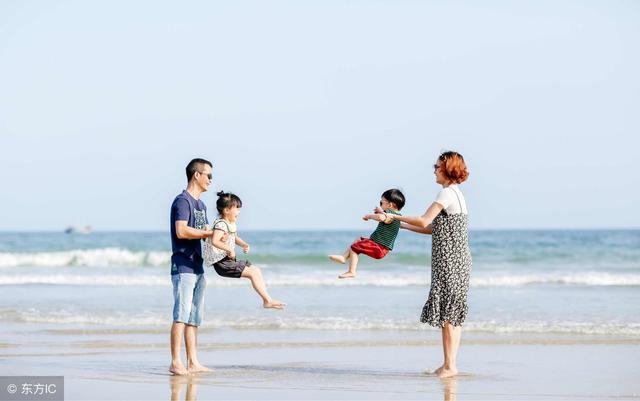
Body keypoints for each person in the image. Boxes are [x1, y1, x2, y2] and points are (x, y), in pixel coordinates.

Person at [383, 151, 471, 378]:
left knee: (448, 315)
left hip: (450, 262)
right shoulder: (456, 194)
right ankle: (449, 364)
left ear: (447, 169)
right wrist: (398, 224)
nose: (434, 169)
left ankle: (449, 366)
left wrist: (393, 214)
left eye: (437, 166)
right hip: (457, 260)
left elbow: (424, 219)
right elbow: (432, 229)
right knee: (453, 314)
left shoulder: (446, 194)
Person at [169, 158, 215, 375]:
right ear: (196, 175)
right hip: (183, 266)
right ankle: (175, 362)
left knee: (194, 317)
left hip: (198, 266)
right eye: (208, 176)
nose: (210, 181)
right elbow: (182, 231)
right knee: (181, 314)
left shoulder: (201, 205)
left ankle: (193, 361)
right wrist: (208, 233)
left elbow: (205, 234)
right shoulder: (182, 201)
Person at [202, 191, 286, 309]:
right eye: (236, 208)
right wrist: (229, 249)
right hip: (222, 263)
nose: (239, 212)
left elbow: (234, 237)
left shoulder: (230, 224)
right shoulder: (221, 224)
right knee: (252, 273)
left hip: (227, 261)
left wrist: (244, 244)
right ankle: (267, 301)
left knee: (256, 270)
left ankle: (267, 299)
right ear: (226, 210)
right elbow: (215, 241)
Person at [328, 189, 405, 279]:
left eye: (381, 202)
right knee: (359, 239)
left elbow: (381, 218)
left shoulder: (390, 214)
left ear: (390, 204)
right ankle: (344, 257)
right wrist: (381, 211)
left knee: (354, 248)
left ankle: (351, 271)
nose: (380, 204)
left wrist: (370, 216)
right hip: (379, 246)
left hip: (379, 247)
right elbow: (386, 218)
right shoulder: (397, 216)